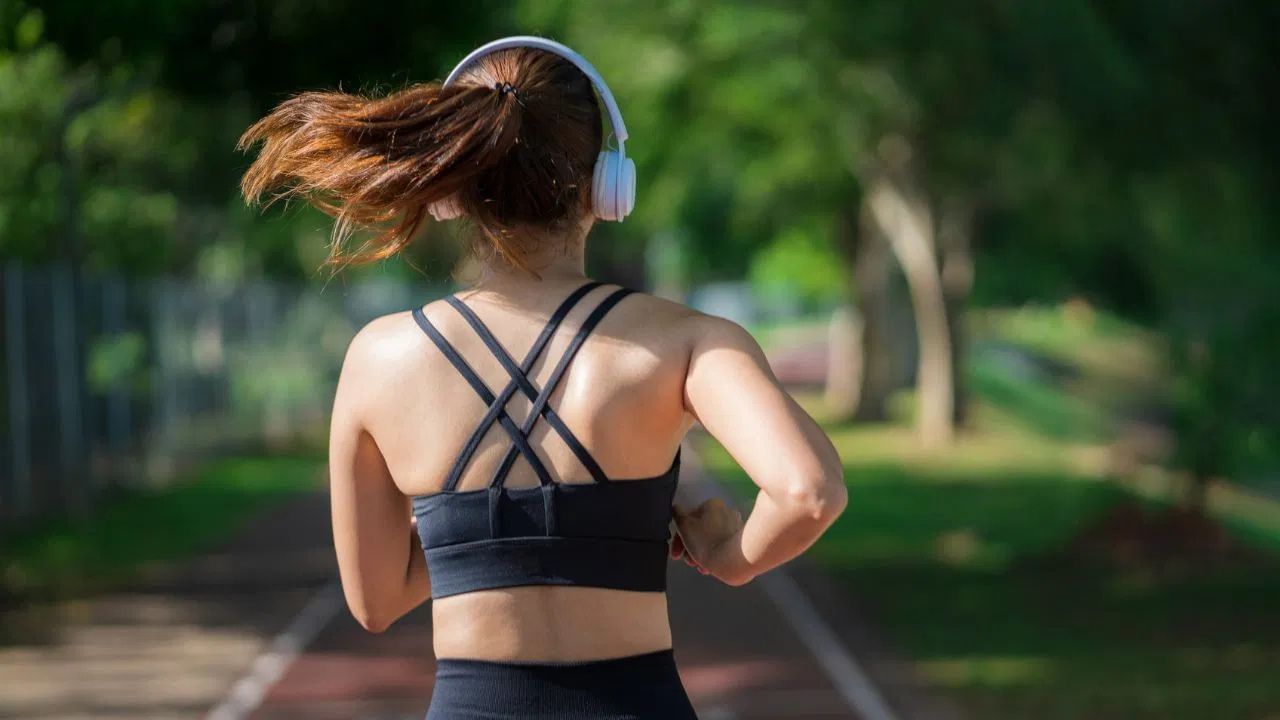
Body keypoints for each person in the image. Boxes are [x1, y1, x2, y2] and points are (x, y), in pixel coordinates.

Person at [238, 35, 847, 720]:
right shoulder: (686, 341)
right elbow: (809, 492)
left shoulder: (379, 359)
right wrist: (732, 555)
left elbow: (376, 602)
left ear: (451, 189)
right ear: (607, 185)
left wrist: (469, 528)